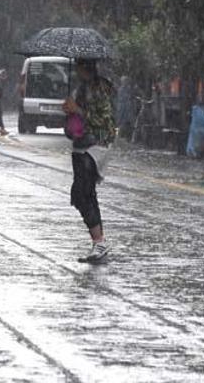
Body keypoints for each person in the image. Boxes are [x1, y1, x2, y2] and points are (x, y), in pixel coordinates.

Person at [62, 59, 116, 262]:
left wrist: (78, 110)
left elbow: (104, 120)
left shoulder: (100, 89)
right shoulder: (81, 88)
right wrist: (69, 110)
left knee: (82, 192)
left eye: (79, 66)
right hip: (80, 144)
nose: (76, 69)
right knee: (84, 194)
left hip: (95, 146)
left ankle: (99, 241)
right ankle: (98, 242)